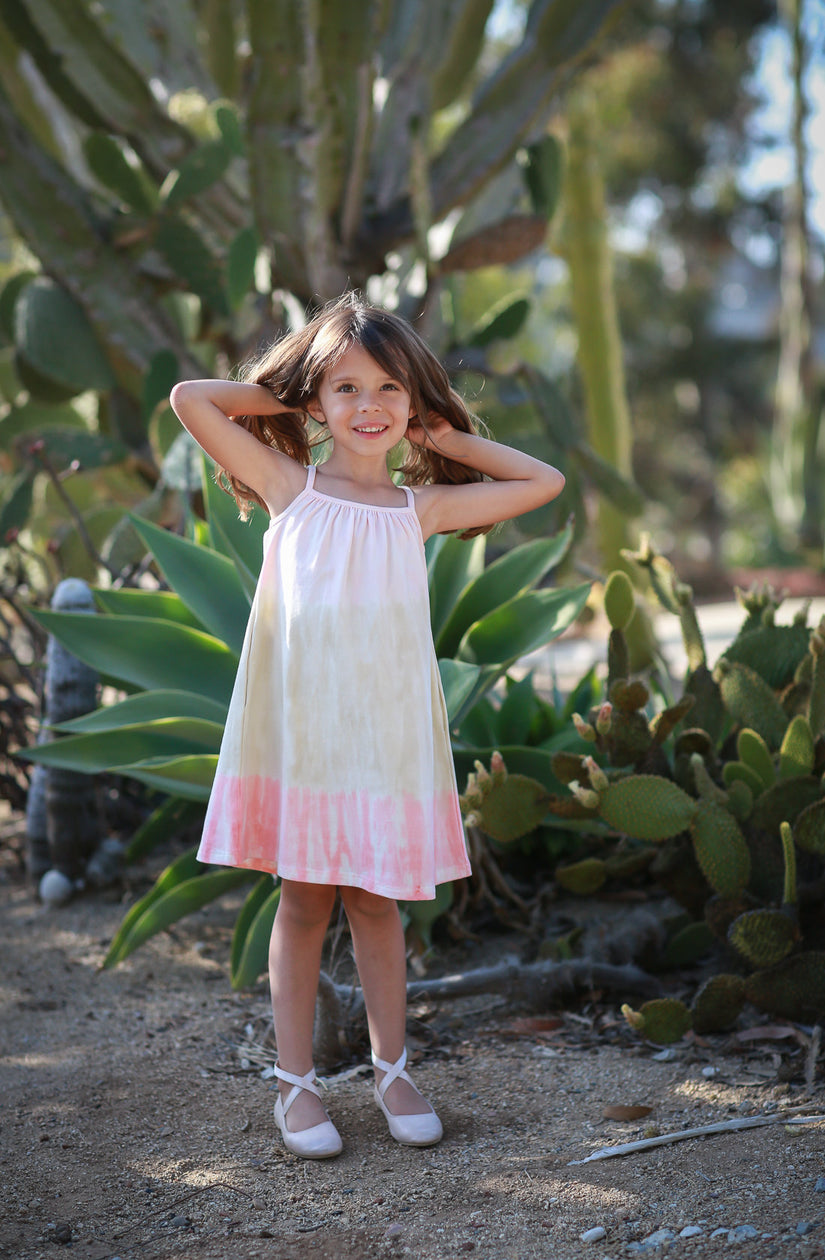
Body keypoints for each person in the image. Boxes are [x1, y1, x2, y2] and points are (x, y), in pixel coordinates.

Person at [170, 294, 564, 1160]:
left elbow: (542, 482)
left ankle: (394, 1070)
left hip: (382, 748)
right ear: (317, 403)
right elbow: (191, 399)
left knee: (377, 904)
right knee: (305, 901)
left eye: (388, 387)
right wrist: (294, 387)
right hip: (306, 745)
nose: (369, 405)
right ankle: (295, 1083)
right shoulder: (289, 488)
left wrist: (446, 439)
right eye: (346, 389)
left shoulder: (416, 511)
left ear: (413, 403)